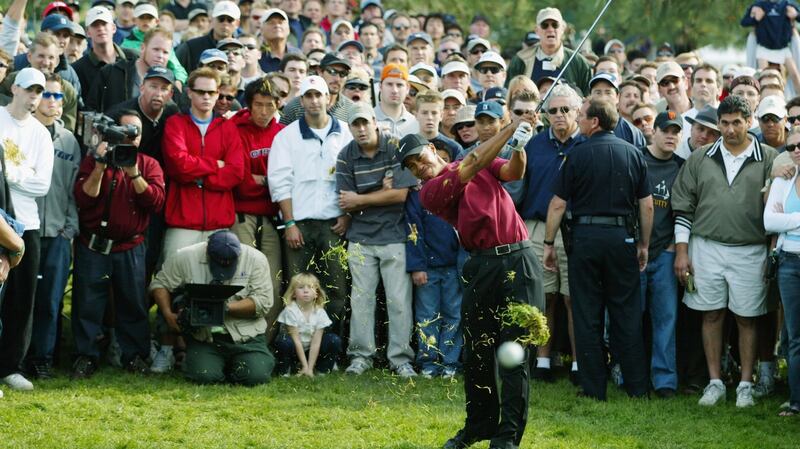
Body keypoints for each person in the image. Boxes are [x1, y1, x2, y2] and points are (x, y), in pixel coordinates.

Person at [399, 115, 542, 448]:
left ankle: (506, 437)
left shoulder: (474, 161)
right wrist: (510, 129)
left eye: (418, 158)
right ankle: (479, 425)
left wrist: (519, 146)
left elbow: (513, 172)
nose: (417, 168)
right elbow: (476, 161)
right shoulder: (430, 193)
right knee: (477, 354)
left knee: (514, 352)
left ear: (432, 149)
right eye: (410, 166)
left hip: (518, 259)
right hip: (481, 266)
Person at [671, 95, 778, 408]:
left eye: (737, 123)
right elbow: (683, 208)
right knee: (712, 314)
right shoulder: (701, 157)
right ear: (718, 123)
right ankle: (715, 381)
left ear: (749, 122)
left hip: (751, 248)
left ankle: (746, 382)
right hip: (706, 246)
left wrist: (770, 254)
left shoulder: (770, 158)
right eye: (725, 123)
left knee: (748, 318)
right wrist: (681, 251)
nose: (730, 129)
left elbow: (777, 207)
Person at [543, 99, 653, 401]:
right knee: (627, 313)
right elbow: (646, 204)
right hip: (622, 238)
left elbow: (557, 204)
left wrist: (549, 243)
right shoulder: (633, 153)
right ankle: (637, 386)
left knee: (587, 312)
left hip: (586, 239)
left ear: (594, 122)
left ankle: (593, 389)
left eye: (581, 115)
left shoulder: (576, 155)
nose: (576, 118)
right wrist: (643, 243)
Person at [70, 110, 165, 379]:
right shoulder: (94, 160)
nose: (130, 138)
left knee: (133, 303)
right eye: (125, 132)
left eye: (135, 133)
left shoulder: (148, 164)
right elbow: (83, 198)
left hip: (131, 246)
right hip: (94, 245)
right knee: (87, 303)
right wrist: (100, 165)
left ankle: (134, 356)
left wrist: (134, 173)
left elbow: (156, 202)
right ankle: (85, 357)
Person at [335, 103, 417, 378]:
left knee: (398, 301)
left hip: (394, 234)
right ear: (349, 128)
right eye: (354, 125)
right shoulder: (346, 155)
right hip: (360, 237)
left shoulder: (395, 146)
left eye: (364, 123)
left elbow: (401, 195)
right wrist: (377, 192)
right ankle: (360, 357)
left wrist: (362, 198)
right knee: (361, 301)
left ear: (375, 122)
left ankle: (400, 359)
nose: (360, 129)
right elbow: (347, 202)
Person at [268, 75, 353, 335]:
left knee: (336, 287)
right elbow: (280, 180)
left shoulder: (345, 132)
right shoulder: (287, 136)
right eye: (309, 96)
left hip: (333, 224)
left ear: (328, 98)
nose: (314, 101)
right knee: (297, 288)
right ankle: (295, 347)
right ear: (301, 100)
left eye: (319, 95)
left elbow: (353, 176)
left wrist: (347, 214)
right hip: (299, 224)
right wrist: (290, 222)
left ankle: (329, 347)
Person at [518, 84, 584, 385]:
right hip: (537, 226)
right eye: (553, 110)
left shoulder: (585, 143)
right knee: (543, 298)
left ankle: (576, 363)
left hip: (573, 229)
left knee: (573, 298)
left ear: (577, 111)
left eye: (565, 110)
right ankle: (542, 361)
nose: (559, 115)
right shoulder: (533, 144)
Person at [150, 231, 276, 385]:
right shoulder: (186, 256)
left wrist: (224, 308)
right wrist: (168, 314)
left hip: (246, 336)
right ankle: (210, 363)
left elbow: (264, 302)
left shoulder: (255, 259)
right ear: (207, 253)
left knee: (256, 377)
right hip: (204, 336)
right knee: (204, 376)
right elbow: (159, 284)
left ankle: (241, 363)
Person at [0, 68, 54, 392]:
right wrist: (24, 172)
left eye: (40, 91)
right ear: (15, 88)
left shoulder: (41, 133)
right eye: (30, 89)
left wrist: (10, 174)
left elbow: (42, 184)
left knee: (23, 300)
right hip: (0, 220)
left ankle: (10, 366)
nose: (35, 97)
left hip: (28, 224)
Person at [25, 74, 79, 380]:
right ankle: (14, 357)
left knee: (50, 299)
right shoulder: (22, 133)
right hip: (25, 230)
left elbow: (74, 189)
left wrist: (69, 229)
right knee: (22, 297)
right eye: (47, 94)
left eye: (58, 97)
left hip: (58, 233)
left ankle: (42, 358)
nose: (52, 101)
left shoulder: (69, 140)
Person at [161, 67, 245, 260]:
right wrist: (216, 164)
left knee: (217, 285)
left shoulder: (228, 128)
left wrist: (200, 180)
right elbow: (179, 165)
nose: (206, 97)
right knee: (174, 283)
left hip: (220, 224)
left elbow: (236, 172)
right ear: (189, 92)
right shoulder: (176, 123)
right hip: (182, 222)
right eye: (201, 92)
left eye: (212, 92)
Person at [230, 77, 286, 341]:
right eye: (259, 105)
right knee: (242, 277)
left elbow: (286, 179)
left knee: (272, 281)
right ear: (249, 105)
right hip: (242, 214)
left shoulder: (282, 132)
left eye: (270, 106)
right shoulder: (235, 128)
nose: (264, 112)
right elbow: (240, 182)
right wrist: (269, 181)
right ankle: (240, 338)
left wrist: (261, 179)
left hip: (273, 217)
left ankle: (267, 341)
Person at [405, 141, 463, 379]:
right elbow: (413, 230)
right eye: (411, 166)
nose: (419, 167)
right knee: (427, 316)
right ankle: (428, 362)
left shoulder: (457, 185)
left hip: (455, 265)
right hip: (427, 268)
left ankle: (450, 361)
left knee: (454, 314)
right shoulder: (417, 195)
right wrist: (417, 265)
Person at [640, 111, 686, 398]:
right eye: (666, 130)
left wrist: (675, 246)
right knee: (631, 316)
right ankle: (627, 371)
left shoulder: (682, 166)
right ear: (653, 132)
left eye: (676, 131)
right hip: (635, 251)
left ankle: (665, 380)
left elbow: (683, 210)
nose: (671, 136)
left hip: (666, 252)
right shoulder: (636, 159)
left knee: (666, 318)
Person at [764, 126, 800, 416]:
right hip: (788, 262)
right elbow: (768, 222)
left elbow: (779, 219)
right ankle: (797, 400)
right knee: (794, 335)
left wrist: (785, 218)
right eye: (791, 147)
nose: (796, 150)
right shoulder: (784, 178)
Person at [86, 28, 175, 113]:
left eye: (165, 52)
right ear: (143, 48)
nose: (160, 56)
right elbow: (91, 109)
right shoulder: (111, 72)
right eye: (156, 49)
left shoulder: (169, 84)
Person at [506, 7, 591, 95]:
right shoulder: (520, 60)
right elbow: (509, 94)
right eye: (544, 25)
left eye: (555, 25)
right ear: (537, 30)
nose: (550, 29)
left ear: (562, 28)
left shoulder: (578, 62)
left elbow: (587, 97)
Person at [273, 272, 342, 376]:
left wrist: (309, 368)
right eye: (301, 287)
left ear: (316, 293)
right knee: (284, 341)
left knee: (333, 340)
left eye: (310, 287)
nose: (306, 291)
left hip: (312, 349)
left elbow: (316, 342)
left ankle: (321, 369)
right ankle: (286, 369)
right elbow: (296, 340)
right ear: (293, 293)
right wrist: (305, 365)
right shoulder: (290, 310)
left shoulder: (320, 312)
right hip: (294, 349)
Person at [73, 6, 139, 107]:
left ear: (113, 28)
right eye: (95, 25)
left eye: (104, 23)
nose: (100, 28)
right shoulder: (77, 69)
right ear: (87, 32)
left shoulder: (135, 58)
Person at [120, 3, 189, 86]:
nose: (146, 21)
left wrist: (179, 82)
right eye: (142, 17)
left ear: (157, 21)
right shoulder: (126, 44)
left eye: (149, 18)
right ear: (135, 21)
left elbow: (178, 70)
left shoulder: (164, 43)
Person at [279, 53, 354, 125]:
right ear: (320, 71)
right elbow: (282, 136)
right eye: (332, 71)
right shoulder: (294, 107)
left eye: (343, 73)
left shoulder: (351, 109)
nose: (337, 79)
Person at [742, 1, 800, 91]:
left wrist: (796, 15)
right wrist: (755, 19)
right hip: (764, 49)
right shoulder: (759, 4)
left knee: (796, 76)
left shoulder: (789, 4)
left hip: (783, 49)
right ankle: (761, 101)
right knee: (764, 77)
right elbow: (744, 22)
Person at [176, 1, 241, 73]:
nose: (225, 23)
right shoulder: (191, 47)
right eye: (221, 19)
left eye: (230, 20)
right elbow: (176, 72)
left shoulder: (242, 49)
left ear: (237, 23)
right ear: (212, 20)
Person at [375, 63, 419, 138]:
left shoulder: (416, 123)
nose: (394, 90)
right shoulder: (368, 120)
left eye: (399, 85)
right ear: (380, 86)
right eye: (389, 84)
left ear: (407, 88)